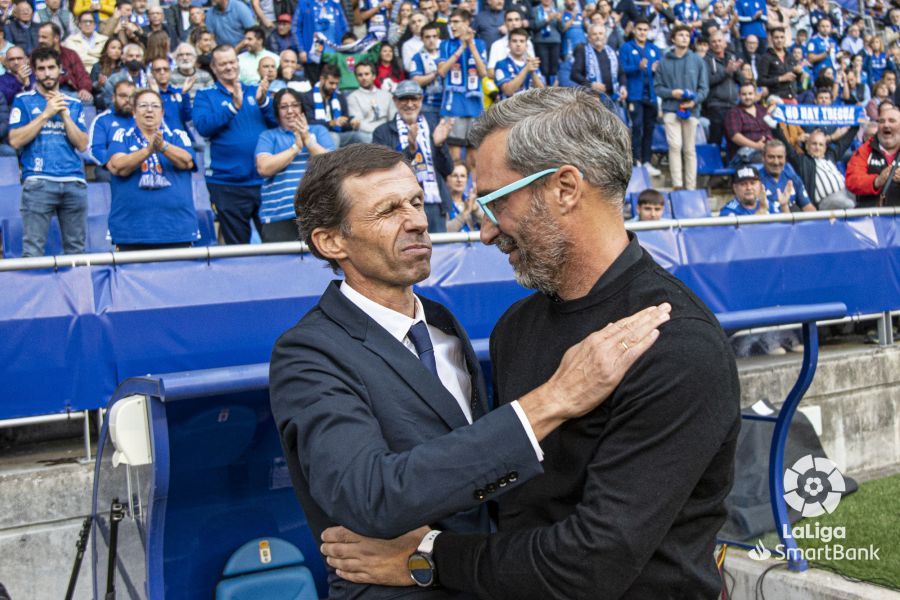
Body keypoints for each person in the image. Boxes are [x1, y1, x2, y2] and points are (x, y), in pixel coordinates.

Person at [319, 87, 740, 598]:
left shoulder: (675, 343)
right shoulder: (516, 327)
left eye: (496, 202)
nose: (486, 232)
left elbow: (592, 562)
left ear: (565, 188)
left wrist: (427, 556)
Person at [270, 140, 670, 599]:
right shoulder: (308, 353)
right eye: (389, 210)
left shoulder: (441, 323)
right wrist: (553, 400)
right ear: (330, 241)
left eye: (416, 201)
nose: (418, 220)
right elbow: (371, 495)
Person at [9, 47, 89, 257]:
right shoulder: (23, 100)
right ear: (35, 72)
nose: (47, 73)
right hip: (38, 180)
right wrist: (46, 114)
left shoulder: (74, 104)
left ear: (60, 69)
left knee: (77, 252)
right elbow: (15, 140)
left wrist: (64, 115)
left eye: (51, 68)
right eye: (41, 69)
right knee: (33, 251)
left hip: (73, 180)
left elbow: (82, 144)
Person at [194, 44, 276, 244]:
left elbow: (278, 124)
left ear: (238, 63)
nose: (229, 67)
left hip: (264, 182)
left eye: (232, 62)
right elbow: (203, 127)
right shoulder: (205, 95)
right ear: (213, 67)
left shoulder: (256, 91)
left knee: (276, 244)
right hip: (227, 183)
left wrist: (264, 102)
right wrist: (232, 107)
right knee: (238, 248)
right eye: (223, 64)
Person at [105, 88, 198, 251]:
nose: (149, 110)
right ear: (134, 112)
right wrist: (148, 150)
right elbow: (119, 167)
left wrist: (162, 147)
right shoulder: (121, 135)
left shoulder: (177, 135)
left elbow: (187, 161)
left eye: (155, 106)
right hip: (131, 231)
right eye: (143, 105)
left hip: (176, 228)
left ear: (162, 113)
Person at [373, 80, 454, 232]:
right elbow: (383, 172)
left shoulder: (433, 125)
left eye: (414, 99)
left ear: (421, 99)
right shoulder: (382, 132)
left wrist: (440, 145)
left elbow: (448, 169)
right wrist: (409, 150)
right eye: (404, 99)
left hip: (434, 202)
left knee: (439, 246)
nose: (409, 104)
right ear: (395, 101)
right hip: (402, 206)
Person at [254, 88, 333, 241]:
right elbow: (263, 168)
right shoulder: (268, 136)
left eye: (295, 105)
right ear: (277, 111)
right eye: (284, 107)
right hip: (278, 216)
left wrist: (307, 140)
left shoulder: (319, 131)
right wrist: (295, 148)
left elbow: (332, 165)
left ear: (302, 108)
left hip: (317, 214)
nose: (290, 111)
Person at [655, 24, 708, 190]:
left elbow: (704, 88)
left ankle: (691, 187)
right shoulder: (664, 62)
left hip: (691, 110)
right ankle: (677, 185)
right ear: (673, 39)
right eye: (681, 35)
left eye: (687, 35)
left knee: (689, 149)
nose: (685, 38)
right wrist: (672, 93)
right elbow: (657, 88)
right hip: (671, 109)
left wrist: (694, 101)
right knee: (675, 146)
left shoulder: (697, 60)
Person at [437, 8, 487, 171]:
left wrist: (470, 45)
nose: (452, 26)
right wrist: (461, 47)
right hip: (453, 107)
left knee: (473, 159)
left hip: (475, 107)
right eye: (451, 22)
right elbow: (442, 71)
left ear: (467, 23)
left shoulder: (480, 44)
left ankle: (473, 188)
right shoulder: (445, 44)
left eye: (456, 22)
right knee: (455, 158)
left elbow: (483, 73)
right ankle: (455, 187)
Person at [620, 18, 661, 174]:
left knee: (649, 128)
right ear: (634, 30)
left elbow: (659, 70)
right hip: (634, 95)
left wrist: (656, 69)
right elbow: (621, 69)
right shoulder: (626, 47)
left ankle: (647, 161)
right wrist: (638, 67)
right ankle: (635, 161)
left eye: (645, 30)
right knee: (637, 127)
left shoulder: (654, 49)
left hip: (651, 95)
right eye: (640, 29)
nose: (642, 32)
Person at [846, 106, 900, 208]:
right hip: (870, 215)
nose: (886, 125)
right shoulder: (865, 149)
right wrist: (877, 181)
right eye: (881, 121)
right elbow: (852, 180)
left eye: (892, 121)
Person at [302, 62, 363, 147]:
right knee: (334, 137)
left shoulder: (340, 97)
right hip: (317, 135)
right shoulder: (308, 97)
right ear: (322, 79)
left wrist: (351, 122)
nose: (334, 87)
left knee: (360, 137)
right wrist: (331, 123)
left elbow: (344, 121)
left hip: (339, 134)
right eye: (331, 83)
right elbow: (310, 122)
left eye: (336, 84)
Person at [88, 78, 136, 182]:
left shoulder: (142, 119)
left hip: (138, 165)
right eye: (123, 96)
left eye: (132, 96)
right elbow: (96, 149)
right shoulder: (102, 120)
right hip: (112, 168)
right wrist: (114, 163)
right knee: (102, 173)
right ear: (114, 98)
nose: (127, 100)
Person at [703, 31, 741, 148]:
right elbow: (707, 81)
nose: (717, 44)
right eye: (714, 42)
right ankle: (713, 160)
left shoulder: (731, 58)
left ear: (725, 43)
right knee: (716, 140)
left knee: (734, 140)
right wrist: (726, 72)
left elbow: (741, 80)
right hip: (716, 105)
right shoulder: (705, 61)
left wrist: (737, 71)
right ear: (710, 45)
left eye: (719, 41)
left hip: (733, 104)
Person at [759, 139, 815, 212]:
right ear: (763, 158)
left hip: (791, 217)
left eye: (780, 157)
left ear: (785, 158)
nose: (776, 162)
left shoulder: (792, 177)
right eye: (771, 157)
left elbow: (807, 206)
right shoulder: (756, 181)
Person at [724, 81, 772, 164]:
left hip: (766, 149)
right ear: (739, 95)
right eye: (744, 94)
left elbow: (770, 130)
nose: (747, 97)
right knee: (765, 160)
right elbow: (735, 136)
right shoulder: (733, 113)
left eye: (750, 94)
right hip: (744, 153)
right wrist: (756, 146)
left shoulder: (762, 110)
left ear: (755, 95)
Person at [347, 61, 396, 143]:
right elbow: (359, 124)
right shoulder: (352, 97)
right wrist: (378, 132)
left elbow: (392, 119)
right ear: (356, 77)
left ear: (374, 76)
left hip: (387, 133)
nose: (363, 77)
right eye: (360, 75)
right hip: (367, 135)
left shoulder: (387, 95)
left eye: (367, 74)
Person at [493, 28, 544, 99]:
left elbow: (542, 93)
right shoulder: (501, 64)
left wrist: (533, 73)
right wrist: (526, 69)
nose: (518, 44)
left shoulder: (532, 64)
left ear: (526, 46)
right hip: (509, 106)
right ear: (508, 44)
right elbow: (508, 91)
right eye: (514, 41)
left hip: (530, 105)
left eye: (522, 41)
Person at [408, 21, 443, 119]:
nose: (431, 40)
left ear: (438, 37)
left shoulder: (445, 54)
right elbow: (415, 81)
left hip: (447, 104)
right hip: (428, 105)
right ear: (422, 39)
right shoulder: (417, 57)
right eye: (427, 37)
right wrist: (436, 73)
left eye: (434, 36)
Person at [757, 27, 802, 101]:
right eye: (776, 37)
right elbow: (760, 81)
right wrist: (780, 78)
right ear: (771, 39)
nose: (779, 40)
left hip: (792, 97)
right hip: (775, 98)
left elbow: (796, 79)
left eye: (782, 37)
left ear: (785, 38)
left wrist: (799, 73)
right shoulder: (766, 57)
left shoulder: (790, 56)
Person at [149, 56, 192, 133]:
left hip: (181, 136)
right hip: (159, 136)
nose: (162, 72)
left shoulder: (179, 91)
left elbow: (187, 117)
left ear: (170, 72)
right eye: (158, 70)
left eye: (165, 69)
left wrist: (185, 93)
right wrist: (156, 94)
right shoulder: (147, 95)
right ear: (152, 73)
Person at [101, 43, 147, 108]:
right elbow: (109, 102)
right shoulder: (113, 80)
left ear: (142, 59)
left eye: (138, 56)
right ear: (124, 59)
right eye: (130, 56)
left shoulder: (149, 79)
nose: (134, 59)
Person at [445, 160, 482, 232]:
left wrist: (475, 210)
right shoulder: (442, 204)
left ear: (467, 179)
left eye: (463, 176)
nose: (459, 180)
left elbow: (488, 226)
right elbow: (445, 231)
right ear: (447, 179)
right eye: (455, 176)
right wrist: (465, 212)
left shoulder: (472, 200)